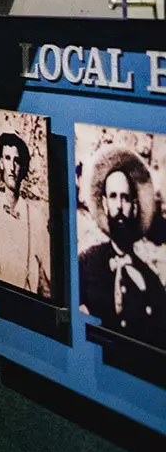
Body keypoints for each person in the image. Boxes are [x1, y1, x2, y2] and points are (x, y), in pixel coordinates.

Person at [77, 147, 166, 345]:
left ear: (134, 207)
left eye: (125, 198)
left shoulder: (151, 282)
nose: (119, 206)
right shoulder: (86, 263)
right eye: (114, 196)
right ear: (105, 203)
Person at [0, 131, 47, 295]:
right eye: (8, 159)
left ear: (22, 166)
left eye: (17, 160)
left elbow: (47, 275)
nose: (12, 167)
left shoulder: (35, 217)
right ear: (1, 163)